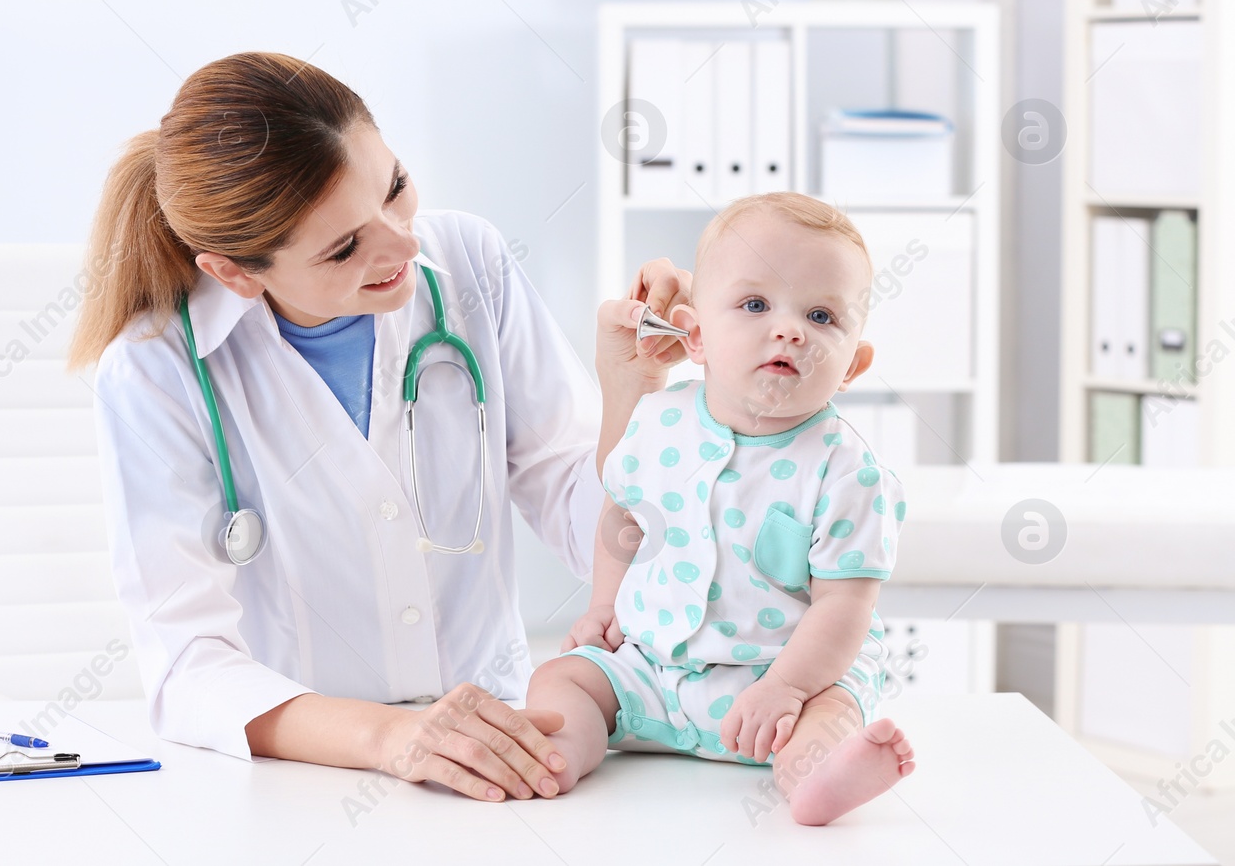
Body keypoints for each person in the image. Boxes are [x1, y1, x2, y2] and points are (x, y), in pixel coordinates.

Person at [67, 50, 691, 803]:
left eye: (394, 188)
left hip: (499, 749)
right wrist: (390, 737)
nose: (404, 243)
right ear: (236, 271)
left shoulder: (472, 262)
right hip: (298, 782)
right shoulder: (156, 371)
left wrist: (631, 393)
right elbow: (186, 663)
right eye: (343, 247)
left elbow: (583, 521)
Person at [526, 191, 917, 826]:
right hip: (650, 668)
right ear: (697, 336)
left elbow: (845, 606)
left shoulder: (850, 470)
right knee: (562, 679)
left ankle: (815, 775)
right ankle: (558, 750)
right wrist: (604, 607)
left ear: (853, 364)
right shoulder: (657, 422)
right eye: (756, 304)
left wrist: (786, 688)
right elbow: (623, 518)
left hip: (780, 679)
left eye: (821, 315)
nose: (788, 328)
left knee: (833, 710)